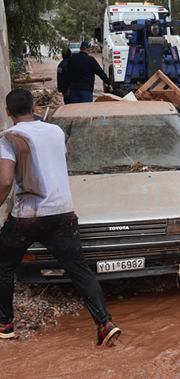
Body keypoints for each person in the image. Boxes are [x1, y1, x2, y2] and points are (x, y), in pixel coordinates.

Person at [0, 89, 121, 346]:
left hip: (27, 216)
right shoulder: (56, 131)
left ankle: (6, 325)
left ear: (8, 112)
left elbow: (6, 180)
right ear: (33, 107)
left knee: (5, 266)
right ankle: (105, 323)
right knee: (80, 271)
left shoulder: (8, 137)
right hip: (63, 214)